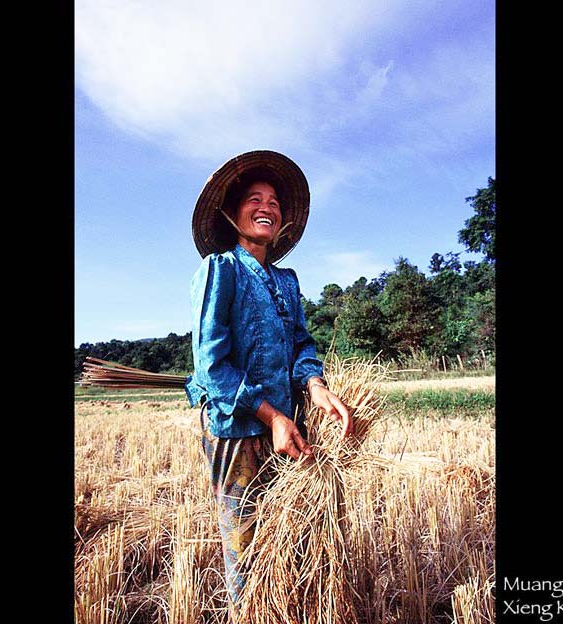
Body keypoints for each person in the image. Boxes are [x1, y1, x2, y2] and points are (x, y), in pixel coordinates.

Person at [184, 150, 352, 620]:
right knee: (247, 552)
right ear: (232, 213)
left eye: (274, 201)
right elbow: (211, 366)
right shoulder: (221, 270)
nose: (267, 207)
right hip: (237, 433)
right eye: (254, 199)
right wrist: (271, 415)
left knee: (289, 548)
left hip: (287, 431)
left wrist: (315, 386)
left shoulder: (286, 281)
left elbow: (301, 343)